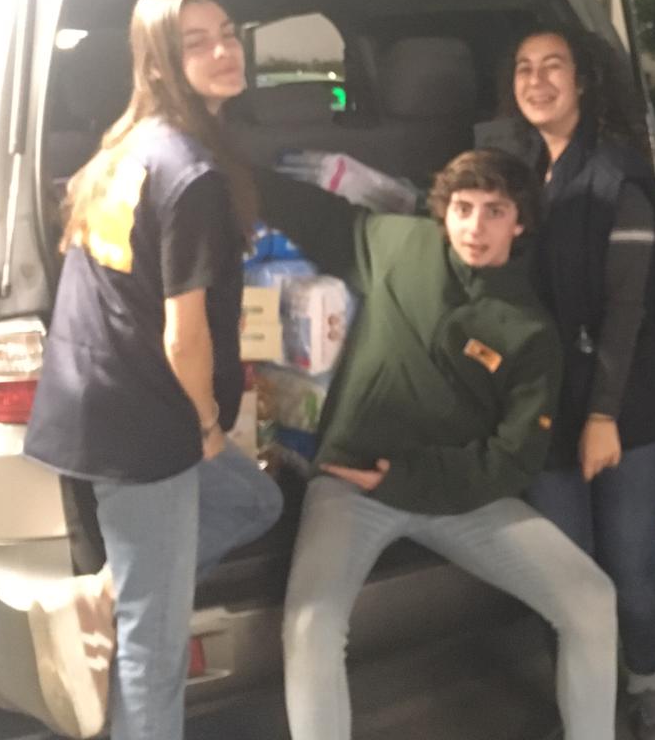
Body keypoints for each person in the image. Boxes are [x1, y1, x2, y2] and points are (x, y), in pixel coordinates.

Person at [259, 148, 619, 740]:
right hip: (353, 485)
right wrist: (218, 160)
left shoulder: (529, 329)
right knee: (310, 622)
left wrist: (408, 479)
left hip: (457, 496)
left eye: (495, 211)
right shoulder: (400, 246)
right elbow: (309, 211)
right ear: (443, 211)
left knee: (593, 597)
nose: (475, 226)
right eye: (463, 208)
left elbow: (514, 460)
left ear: (520, 222)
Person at [23, 0, 284, 739]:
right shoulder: (191, 174)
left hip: (102, 399)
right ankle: (129, 603)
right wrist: (207, 424)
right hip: (147, 421)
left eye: (227, 33)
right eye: (195, 43)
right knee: (154, 647)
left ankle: (107, 593)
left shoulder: (127, 148)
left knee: (254, 502)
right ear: (160, 65)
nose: (223, 51)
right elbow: (183, 336)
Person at [499, 26, 655, 740]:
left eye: (553, 67)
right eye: (524, 68)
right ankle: (582, 698)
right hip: (554, 401)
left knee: (628, 564)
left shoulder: (619, 177)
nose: (537, 80)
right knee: (564, 571)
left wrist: (603, 417)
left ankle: (649, 687)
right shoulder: (524, 178)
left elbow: (627, 310)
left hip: (634, 401)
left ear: (584, 82)